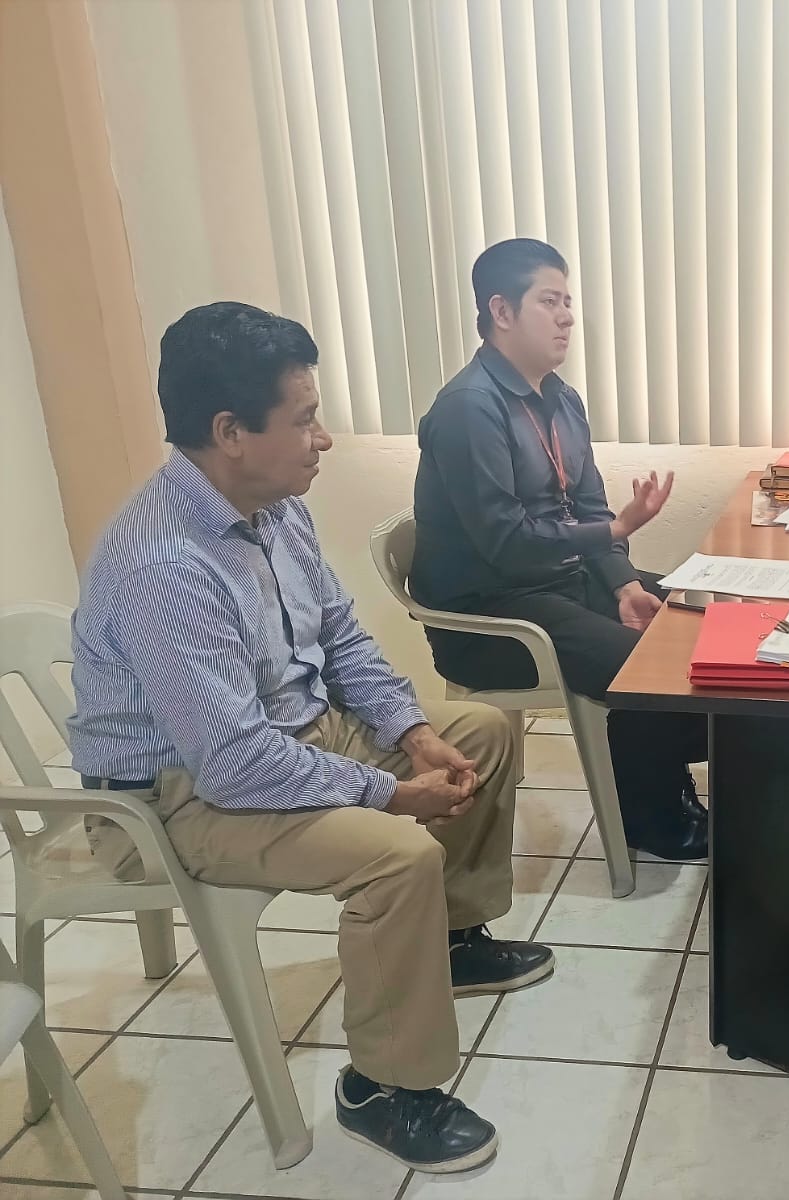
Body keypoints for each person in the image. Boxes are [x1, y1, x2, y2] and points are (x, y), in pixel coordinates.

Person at [68, 302, 548, 1173]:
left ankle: (449, 942)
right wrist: (391, 793)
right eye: (305, 418)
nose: (322, 438)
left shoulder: (273, 505)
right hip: (174, 798)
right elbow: (233, 763)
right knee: (396, 855)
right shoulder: (163, 563)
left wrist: (410, 730)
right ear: (230, 432)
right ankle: (383, 1088)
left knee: (477, 730)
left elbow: (343, 639)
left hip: (282, 733)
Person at [410, 238, 708, 861]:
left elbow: (590, 507)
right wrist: (613, 534)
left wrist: (623, 582)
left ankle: (657, 782)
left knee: (704, 622)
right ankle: (652, 817)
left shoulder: (561, 398)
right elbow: (507, 543)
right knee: (652, 669)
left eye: (568, 301)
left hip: (561, 581)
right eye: (550, 301)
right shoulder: (469, 410)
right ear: (502, 311)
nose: (567, 316)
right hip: (492, 612)